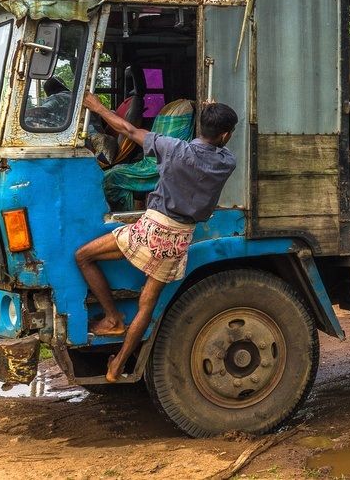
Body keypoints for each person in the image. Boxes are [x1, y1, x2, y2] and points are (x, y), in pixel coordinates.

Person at [74, 93, 238, 382]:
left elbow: (128, 130)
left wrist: (97, 107)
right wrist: (213, 111)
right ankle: (117, 367)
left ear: (200, 127)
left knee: (84, 256)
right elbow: (217, 142)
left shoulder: (173, 149)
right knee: (146, 306)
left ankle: (112, 317)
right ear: (225, 135)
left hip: (151, 229)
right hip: (178, 239)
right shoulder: (227, 161)